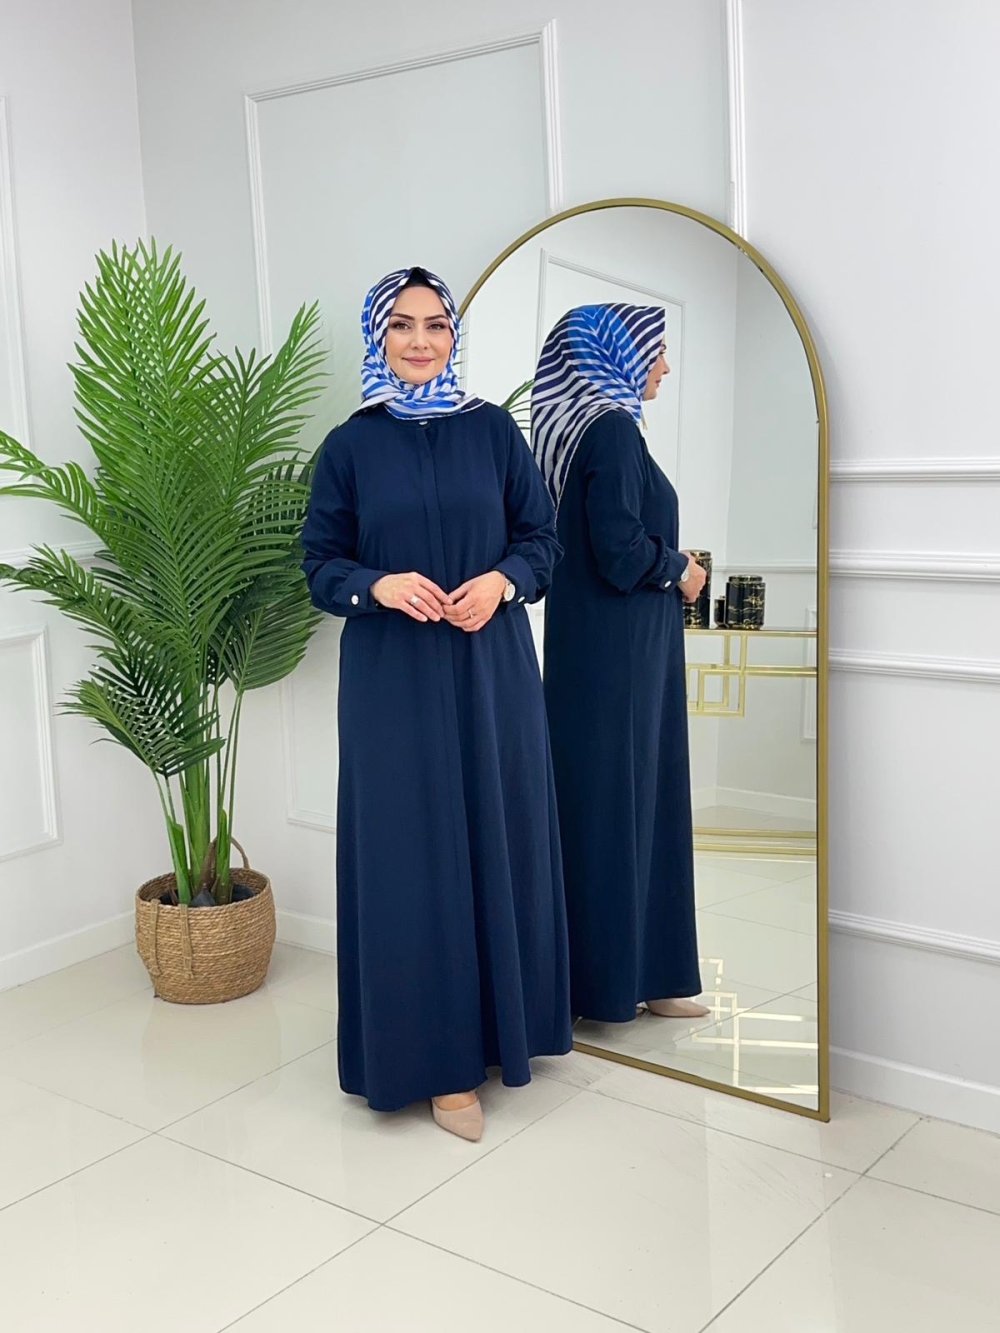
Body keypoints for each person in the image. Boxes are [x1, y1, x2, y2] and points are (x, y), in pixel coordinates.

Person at [301, 266, 571, 1141]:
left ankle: (506, 1034)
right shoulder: (349, 446)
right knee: (410, 856)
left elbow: (542, 539)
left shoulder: (493, 431)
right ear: (377, 335)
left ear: (454, 335)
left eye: (435, 325)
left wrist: (503, 580)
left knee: (499, 833)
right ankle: (438, 1065)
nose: (420, 341)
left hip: (492, 669)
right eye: (401, 325)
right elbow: (320, 564)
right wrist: (376, 586)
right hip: (392, 680)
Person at [531, 303, 710, 1025]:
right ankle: (616, 983)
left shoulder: (584, 429)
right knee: (623, 808)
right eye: (654, 349)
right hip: (621, 658)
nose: (664, 364)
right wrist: (681, 569)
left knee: (615, 807)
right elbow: (620, 549)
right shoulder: (609, 429)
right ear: (616, 354)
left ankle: (630, 976)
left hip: (603, 653)